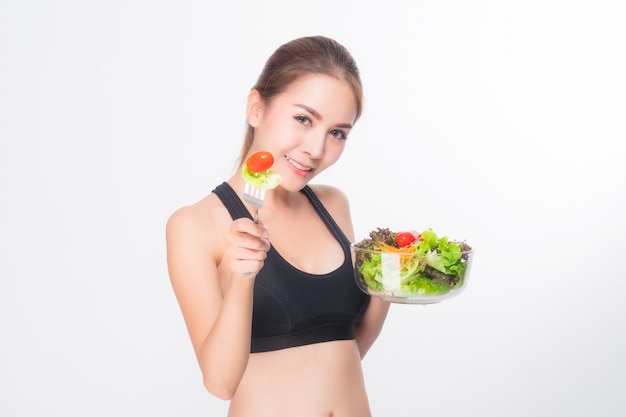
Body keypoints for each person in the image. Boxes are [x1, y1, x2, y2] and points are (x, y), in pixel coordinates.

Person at [166, 35, 390, 416]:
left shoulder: (333, 205)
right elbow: (220, 383)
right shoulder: (195, 225)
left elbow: (348, 345)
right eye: (303, 119)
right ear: (256, 108)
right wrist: (241, 277)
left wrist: (389, 281)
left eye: (337, 133)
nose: (316, 149)